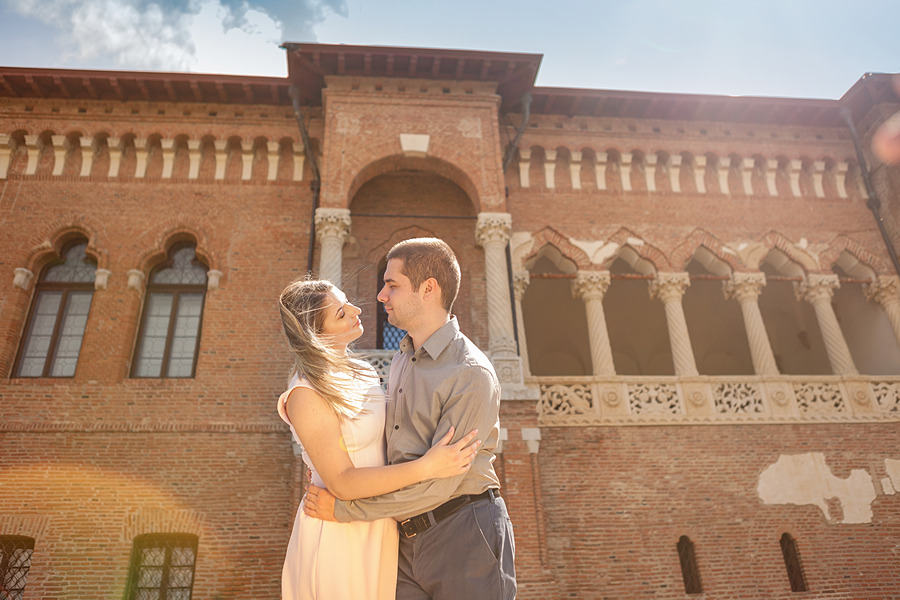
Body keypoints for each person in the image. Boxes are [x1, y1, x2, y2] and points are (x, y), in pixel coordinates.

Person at [305, 238, 517, 600]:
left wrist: (346, 510)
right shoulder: (402, 359)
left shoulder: (471, 373)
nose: (381, 295)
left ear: (428, 289)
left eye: (392, 285)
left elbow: (440, 483)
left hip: (463, 531)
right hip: (403, 542)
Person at [277, 278, 481, 600]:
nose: (357, 310)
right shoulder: (305, 392)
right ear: (316, 335)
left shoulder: (364, 371)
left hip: (380, 524)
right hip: (337, 531)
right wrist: (428, 467)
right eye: (341, 314)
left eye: (347, 303)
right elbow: (342, 481)